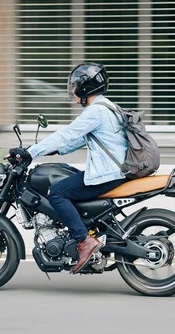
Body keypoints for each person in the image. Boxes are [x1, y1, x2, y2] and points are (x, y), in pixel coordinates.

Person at [8, 62, 128, 274]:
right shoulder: (108, 107)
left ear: (85, 87)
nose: (72, 90)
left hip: (107, 174)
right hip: (115, 171)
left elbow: (67, 134)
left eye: (75, 85)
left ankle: (84, 241)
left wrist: (31, 152)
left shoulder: (95, 112)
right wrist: (52, 151)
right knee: (69, 182)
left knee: (57, 192)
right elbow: (79, 140)